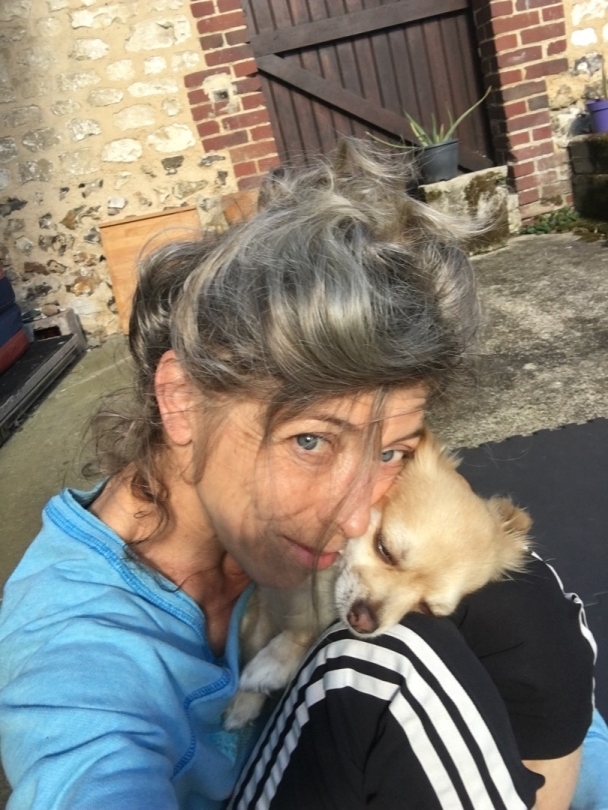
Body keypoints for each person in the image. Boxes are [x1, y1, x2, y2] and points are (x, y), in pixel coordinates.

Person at [0, 139, 599, 810]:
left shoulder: (351, 542)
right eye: (310, 441)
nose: (355, 517)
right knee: (389, 664)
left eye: (390, 451)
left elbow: (548, 723)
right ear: (183, 400)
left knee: (517, 596)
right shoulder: (74, 653)